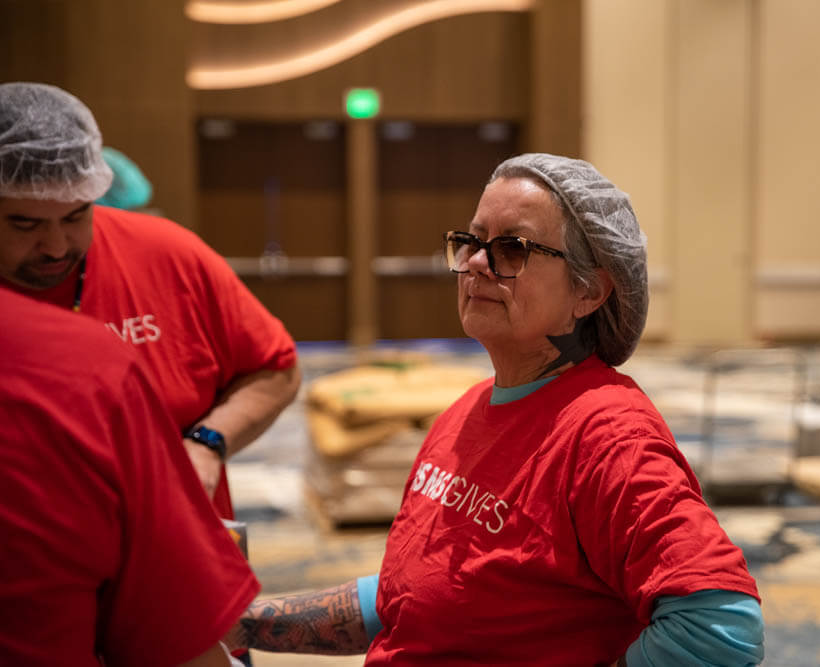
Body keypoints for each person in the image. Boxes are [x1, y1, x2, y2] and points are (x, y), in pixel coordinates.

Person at [225, 154, 764, 665]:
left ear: (589, 292)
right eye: (471, 242)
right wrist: (245, 623)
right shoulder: (465, 413)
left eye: (511, 249)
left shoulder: (606, 436)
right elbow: (405, 598)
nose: (476, 265)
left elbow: (720, 625)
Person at [0, 82, 302, 518]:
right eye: (25, 224)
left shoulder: (168, 254)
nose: (56, 246)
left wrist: (207, 444)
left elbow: (276, 369)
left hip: (181, 538)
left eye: (75, 216)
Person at [0, 288, 261, 666]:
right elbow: (174, 636)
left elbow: (275, 363)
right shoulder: (91, 363)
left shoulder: (95, 361)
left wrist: (207, 442)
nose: (56, 256)